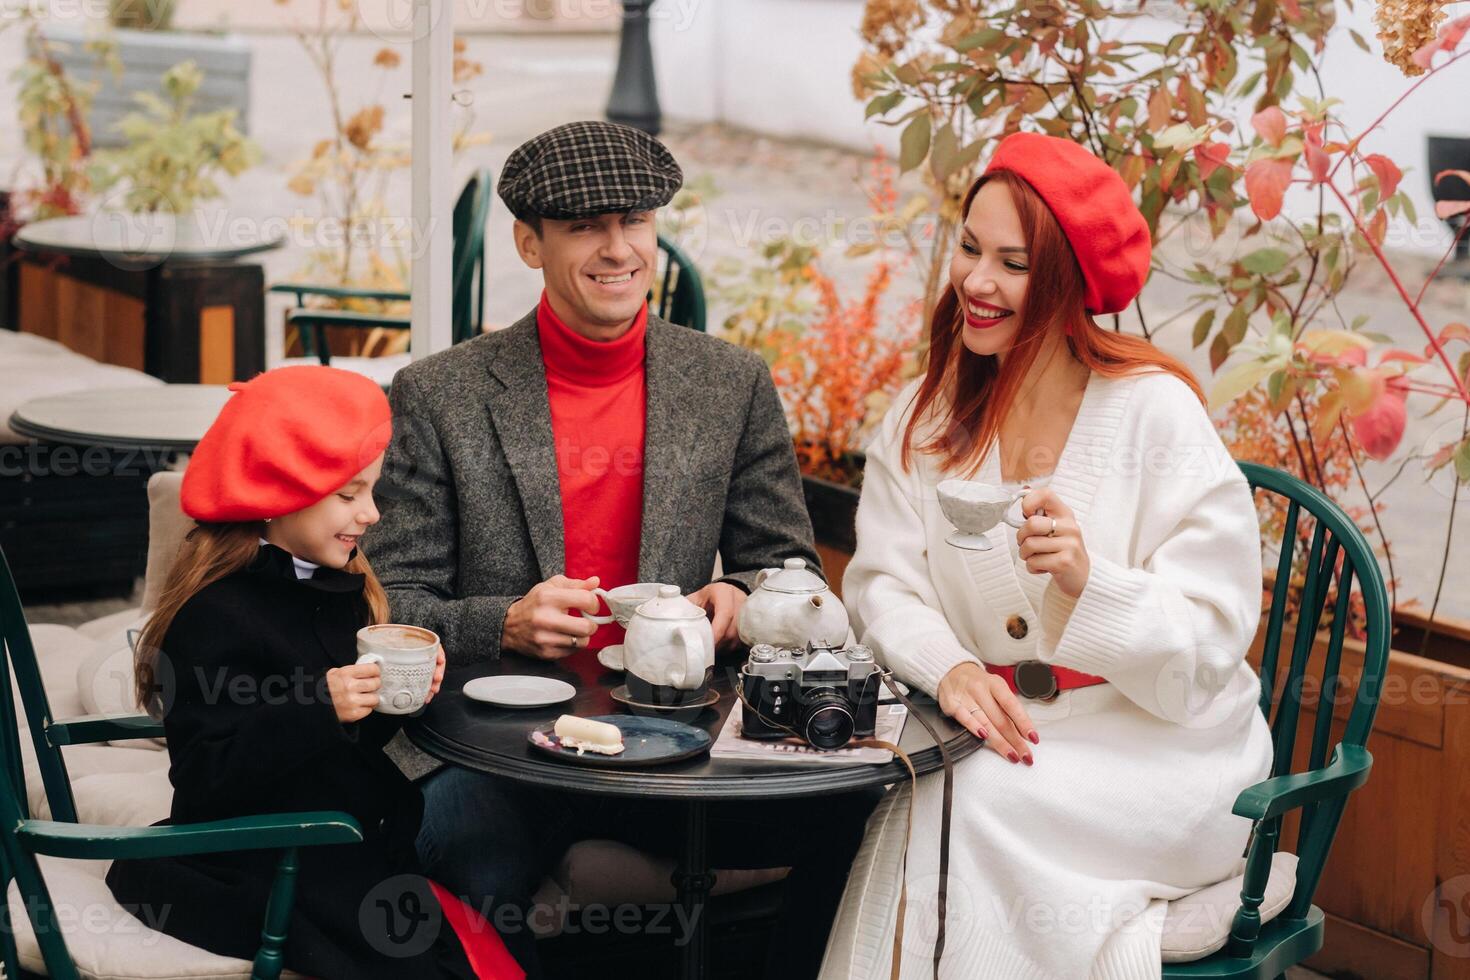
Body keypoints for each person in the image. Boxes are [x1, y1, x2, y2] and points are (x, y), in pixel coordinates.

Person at [364, 120, 878, 979]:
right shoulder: (440, 393)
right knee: (458, 848)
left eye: (635, 220)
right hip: (502, 748)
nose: (618, 249)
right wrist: (506, 623)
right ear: (529, 242)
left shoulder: (729, 382)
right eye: (584, 226)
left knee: (854, 814)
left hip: (675, 742)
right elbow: (390, 605)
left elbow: (789, 567)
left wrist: (746, 597)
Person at [820, 132, 1274, 979]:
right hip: (1000, 733)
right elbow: (883, 583)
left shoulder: (1154, 417)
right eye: (968, 249)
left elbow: (1210, 652)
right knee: (917, 797)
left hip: (1162, 753)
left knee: (964, 801)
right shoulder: (925, 420)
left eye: (1013, 263)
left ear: (1064, 281)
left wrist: (1089, 582)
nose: (977, 283)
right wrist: (950, 666)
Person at [106, 366, 521, 980]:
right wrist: (317, 705)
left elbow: (338, 750)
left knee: (491, 949)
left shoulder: (339, 589)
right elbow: (204, 779)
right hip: (264, 853)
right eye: (349, 495)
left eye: (373, 492)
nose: (373, 514)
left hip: (346, 843)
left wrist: (389, 702)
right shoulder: (216, 613)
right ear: (276, 493)